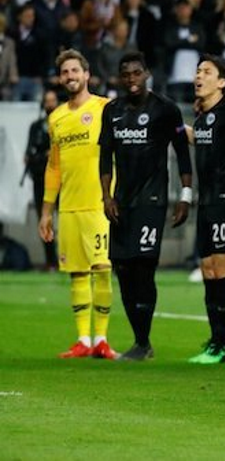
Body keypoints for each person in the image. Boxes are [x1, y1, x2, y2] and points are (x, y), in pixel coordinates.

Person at [98, 52, 193, 361]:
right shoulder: (112, 111)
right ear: (120, 77)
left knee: (143, 267)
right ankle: (141, 341)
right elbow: (105, 157)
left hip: (152, 200)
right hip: (121, 202)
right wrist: (106, 196)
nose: (131, 79)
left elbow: (182, 153)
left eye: (136, 73)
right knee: (123, 269)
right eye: (126, 74)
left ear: (147, 73)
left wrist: (185, 195)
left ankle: (143, 341)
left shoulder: (166, 109)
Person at [38, 49, 116, 360]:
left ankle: (102, 340)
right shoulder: (56, 117)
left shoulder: (105, 108)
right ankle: (83, 339)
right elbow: (53, 168)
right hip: (69, 207)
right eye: (65, 72)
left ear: (87, 74)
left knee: (102, 269)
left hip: (99, 205)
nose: (70, 76)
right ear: (60, 79)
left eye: (75, 70)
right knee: (77, 272)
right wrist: (46, 212)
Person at [188, 55, 225, 364]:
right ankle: (215, 342)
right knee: (208, 270)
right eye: (198, 71)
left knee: (223, 271)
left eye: (207, 72)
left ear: (222, 82)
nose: (199, 76)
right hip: (207, 202)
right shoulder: (202, 117)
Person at [24, 90, 59, 270]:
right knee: (45, 220)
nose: (50, 105)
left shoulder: (64, 123)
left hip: (63, 181)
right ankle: (51, 261)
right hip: (41, 181)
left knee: (67, 220)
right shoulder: (36, 127)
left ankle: (67, 258)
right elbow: (29, 155)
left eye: (53, 101)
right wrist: (43, 156)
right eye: (47, 101)